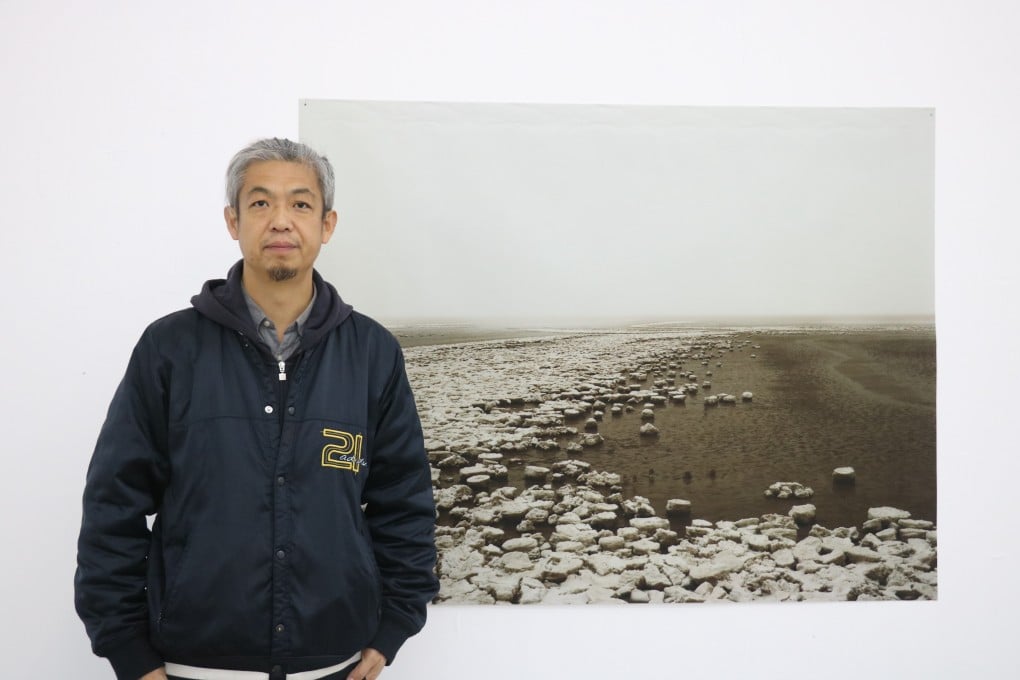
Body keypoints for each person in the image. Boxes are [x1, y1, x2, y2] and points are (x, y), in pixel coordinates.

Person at [75, 138, 439, 680]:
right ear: (233, 220)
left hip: (333, 662)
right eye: (261, 203)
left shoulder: (371, 352)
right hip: (192, 664)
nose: (281, 221)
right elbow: (113, 506)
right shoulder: (170, 347)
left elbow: (404, 504)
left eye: (300, 203)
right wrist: (128, 651)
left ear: (327, 224)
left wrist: (392, 631)